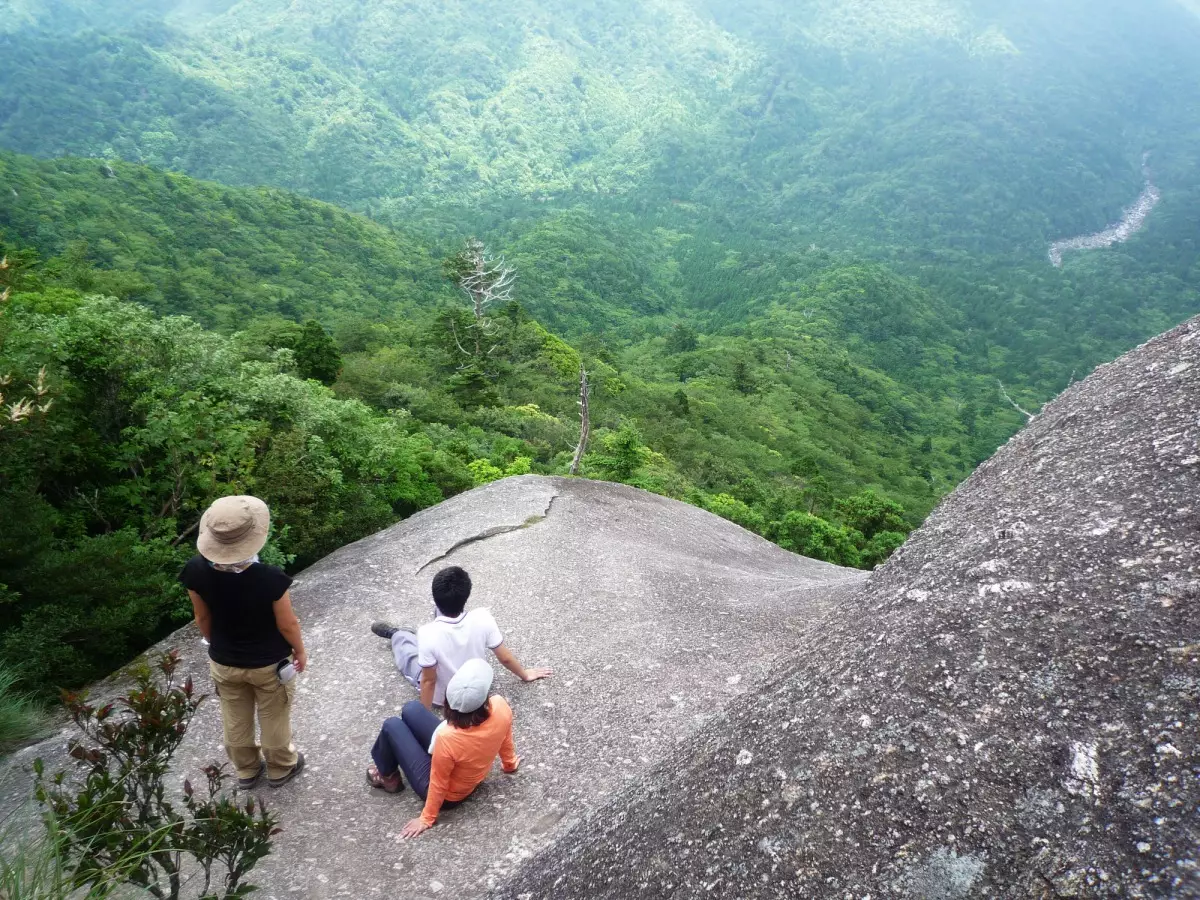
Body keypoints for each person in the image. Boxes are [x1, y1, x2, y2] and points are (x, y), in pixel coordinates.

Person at [180, 495, 307, 789]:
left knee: (234, 715)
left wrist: (220, 644)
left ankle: (247, 770)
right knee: (274, 714)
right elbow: (287, 623)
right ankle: (280, 768)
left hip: (224, 660)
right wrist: (299, 650)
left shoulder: (195, 570)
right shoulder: (270, 578)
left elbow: (201, 617)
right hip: (268, 662)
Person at [366, 658, 520, 837]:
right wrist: (509, 763)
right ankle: (395, 764)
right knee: (411, 708)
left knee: (392, 725)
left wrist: (426, 818)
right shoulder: (500, 705)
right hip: (469, 768)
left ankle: (388, 778)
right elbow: (505, 737)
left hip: (450, 795)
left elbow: (438, 781)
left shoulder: (447, 737)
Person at [371, 566, 551, 709]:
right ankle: (436, 627)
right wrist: (525, 674)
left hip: (445, 699)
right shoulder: (483, 617)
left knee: (409, 656)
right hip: (476, 689)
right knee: (433, 640)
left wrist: (424, 717)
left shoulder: (426, 633)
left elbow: (428, 680)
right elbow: (504, 657)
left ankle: (397, 634)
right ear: (467, 594)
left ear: (435, 597)